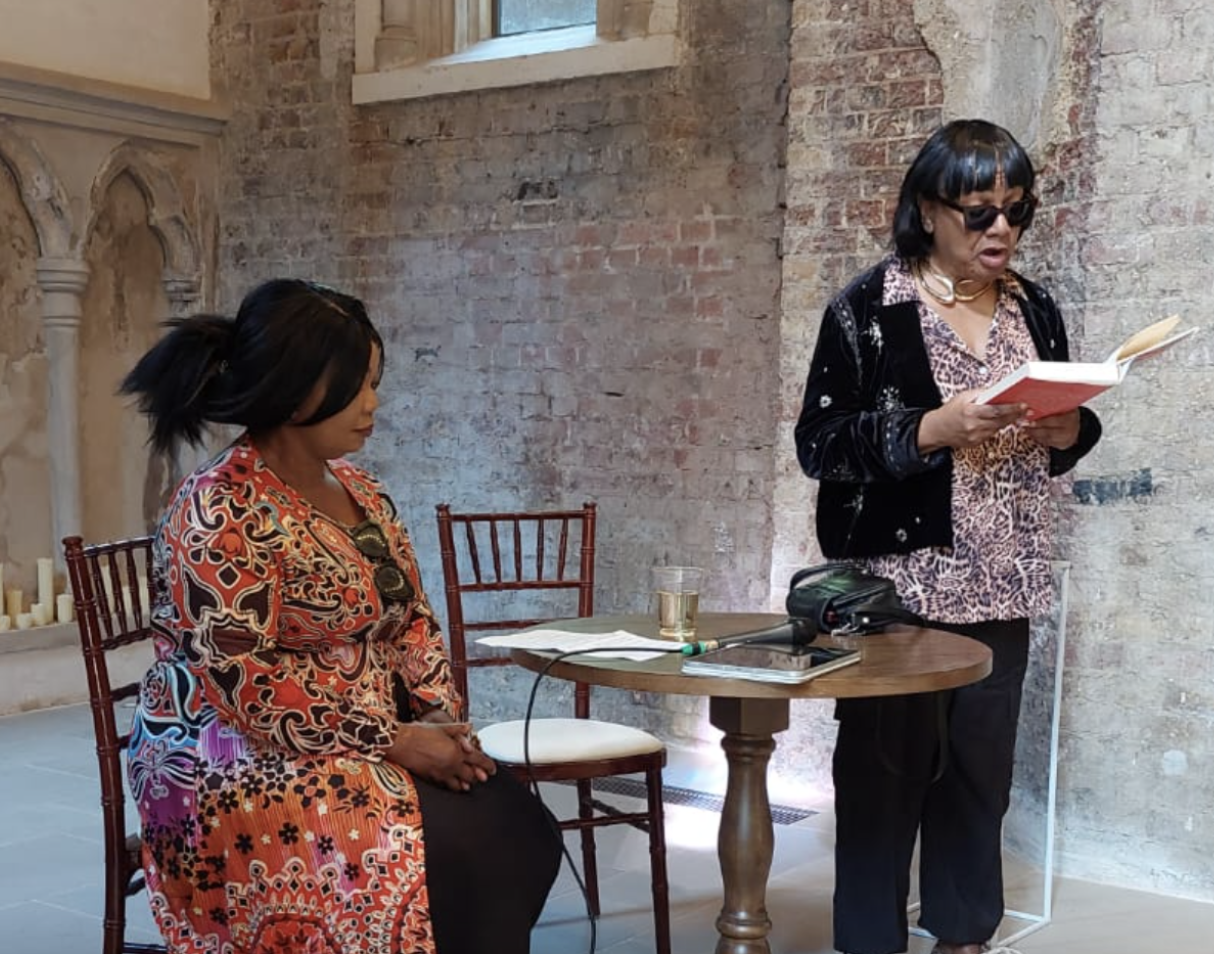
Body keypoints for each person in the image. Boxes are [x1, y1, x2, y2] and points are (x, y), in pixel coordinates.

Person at [120, 278, 562, 954]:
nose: (372, 403)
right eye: (356, 385)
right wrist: (392, 739)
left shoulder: (364, 492)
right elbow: (245, 681)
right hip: (234, 754)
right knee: (457, 849)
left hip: (372, 732)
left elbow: (412, 619)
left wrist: (435, 716)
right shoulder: (220, 507)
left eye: (373, 383)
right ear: (294, 386)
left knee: (521, 828)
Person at [794, 120, 1102, 954]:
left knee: (978, 779)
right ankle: (871, 941)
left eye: (1017, 210)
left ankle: (964, 936)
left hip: (1004, 579)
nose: (1001, 229)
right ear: (928, 210)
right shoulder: (868, 308)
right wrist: (933, 428)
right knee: (882, 780)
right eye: (979, 212)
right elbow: (820, 444)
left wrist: (1070, 430)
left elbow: (1067, 428)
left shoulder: (1034, 307)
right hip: (901, 593)